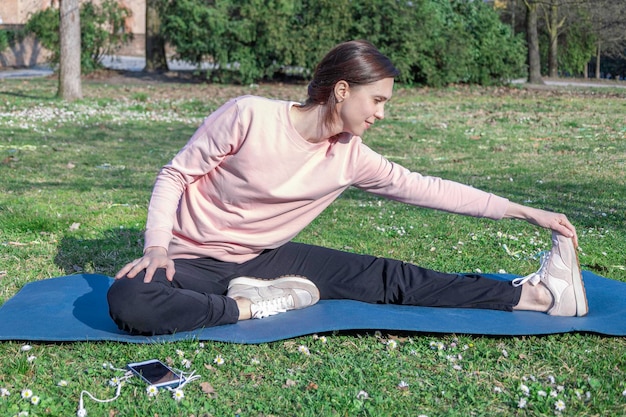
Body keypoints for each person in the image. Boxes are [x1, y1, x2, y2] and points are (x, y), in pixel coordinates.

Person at [107, 40, 588, 336]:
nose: (381, 113)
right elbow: (174, 175)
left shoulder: (352, 156)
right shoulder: (248, 115)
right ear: (342, 90)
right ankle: (251, 305)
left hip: (267, 259)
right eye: (376, 100)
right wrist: (156, 247)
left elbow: (430, 189)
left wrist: (526, 212)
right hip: (190, 260)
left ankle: (537, 297)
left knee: (390, 278)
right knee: (129, 298)